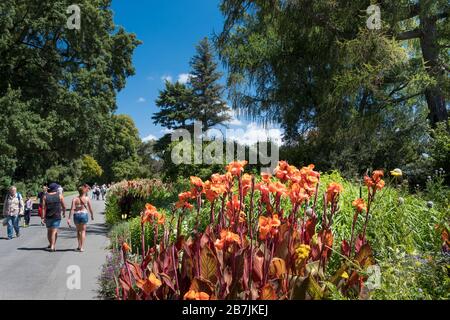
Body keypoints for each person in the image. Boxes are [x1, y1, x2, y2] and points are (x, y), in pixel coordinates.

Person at [67, 186, 94, 252]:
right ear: (84, 191)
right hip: (84, 214)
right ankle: (82, 247)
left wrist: (69, 218)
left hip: (77, 215)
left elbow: (72, 209)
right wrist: (92, 215)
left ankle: (79, 246)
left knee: (78, 231)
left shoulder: (75, 199)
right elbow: (90, 208)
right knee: (83, 231)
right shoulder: (87, 199)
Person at [42, 183, 65, 252]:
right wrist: (63, 212)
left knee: (49, 231)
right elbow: (64, 206)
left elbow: (43, 208)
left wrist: (42, 217)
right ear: (55, 188)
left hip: (48, 216)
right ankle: (52, 246)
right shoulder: (60, 195)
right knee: (54, 231)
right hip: (56, 216)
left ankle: (51, 243)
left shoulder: (45, 196)